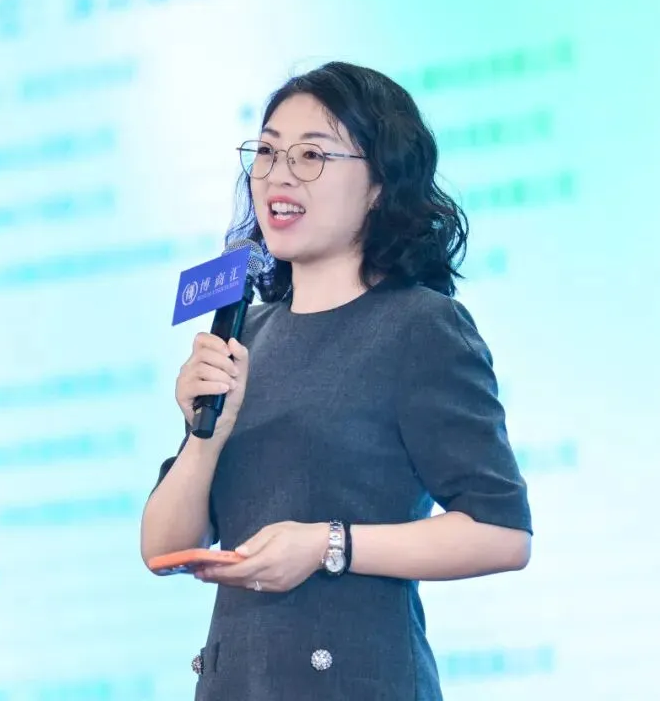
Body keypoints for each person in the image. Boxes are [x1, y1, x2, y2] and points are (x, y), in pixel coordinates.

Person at [139, 61, 533, 700]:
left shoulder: (419, 326)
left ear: (379, 184)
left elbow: (503, 534)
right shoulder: (243, 334)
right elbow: (163, 547)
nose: (279, 175)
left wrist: (330, 545)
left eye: (311, 155)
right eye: (267, 153)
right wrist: (205, 436)